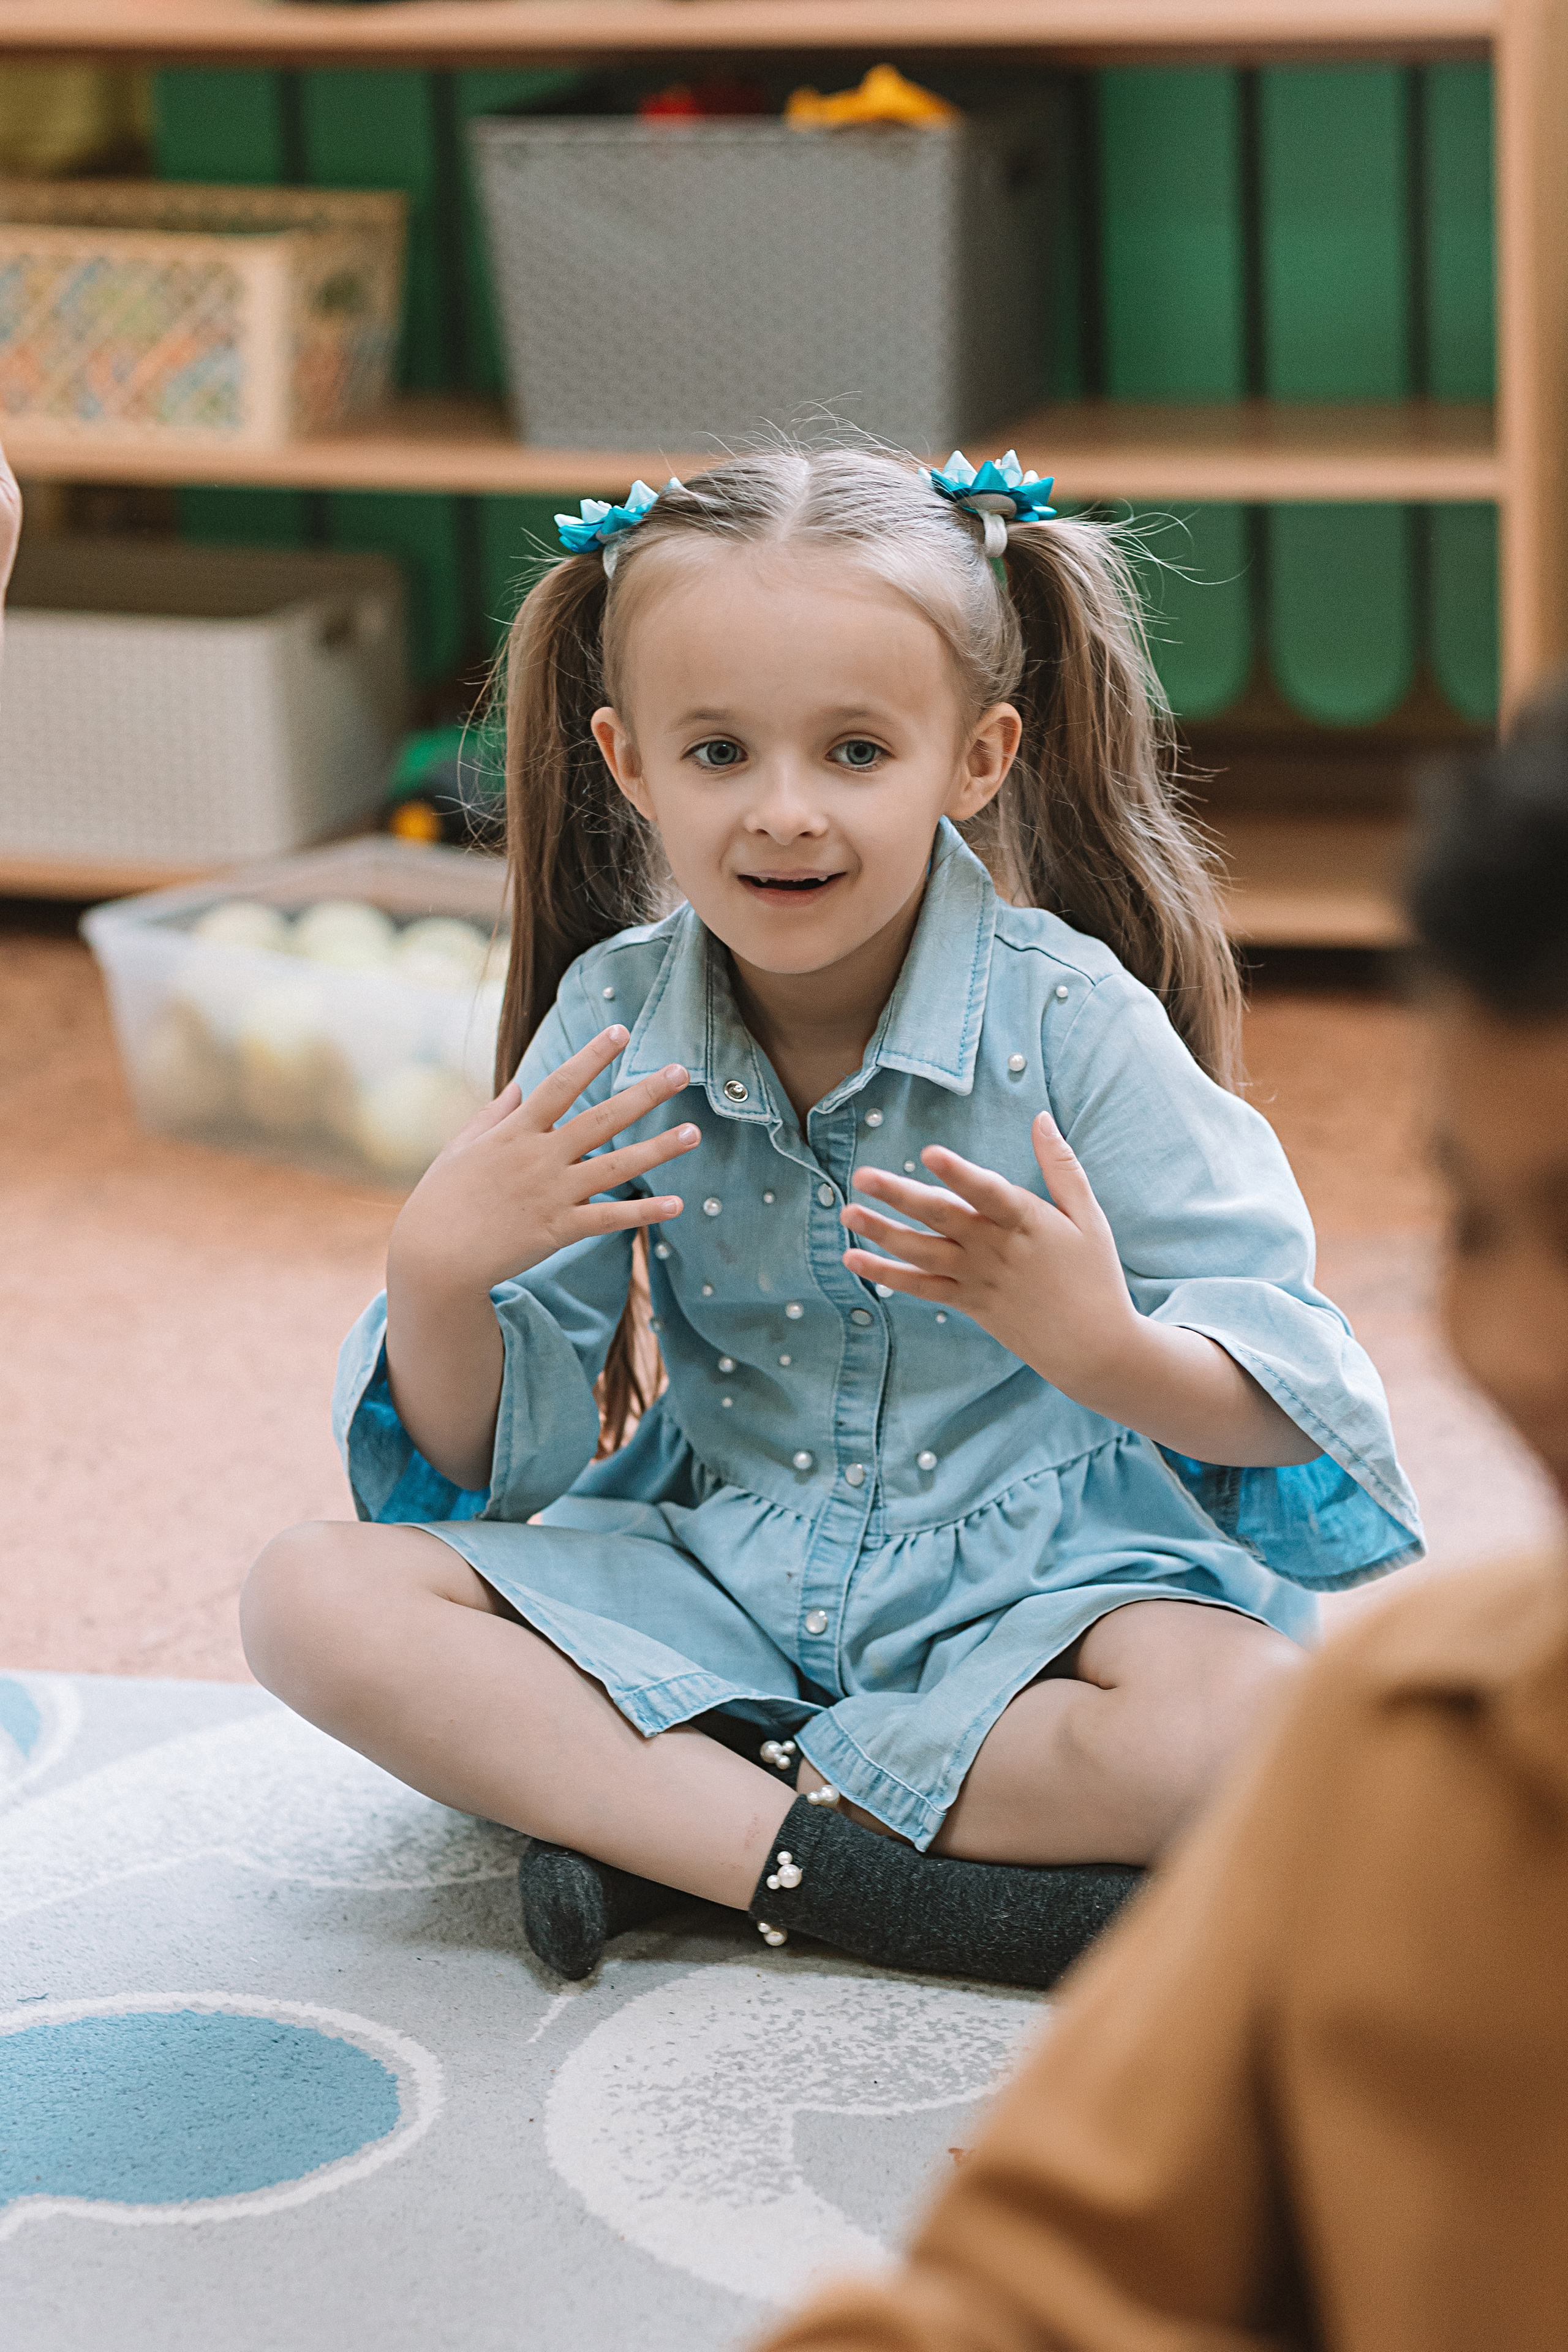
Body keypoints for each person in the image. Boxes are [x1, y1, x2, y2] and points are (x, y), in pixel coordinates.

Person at [240, 448, 1420, 1989]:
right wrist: (436, 1273)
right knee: (308, 1600)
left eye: (855, 752)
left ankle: (652, 1818)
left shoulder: (1068, 1018)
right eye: (718, 751)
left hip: (1037, 1604)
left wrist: (1101, 1347)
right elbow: (481, 1472)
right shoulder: (614, 1026)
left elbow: (1296, 1393)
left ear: (975, 758)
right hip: (720, 1571)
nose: (783, 814)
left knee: (1255, 1734)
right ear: (627, 760)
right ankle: (854, 1876)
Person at [753, 710, 1568, 2351]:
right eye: (1479, 1219)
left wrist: (1109, 1348)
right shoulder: (1414, 1750)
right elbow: (1045, 2288)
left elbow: (1263, 1366)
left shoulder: (1064, 1019)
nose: (1518, 1344)